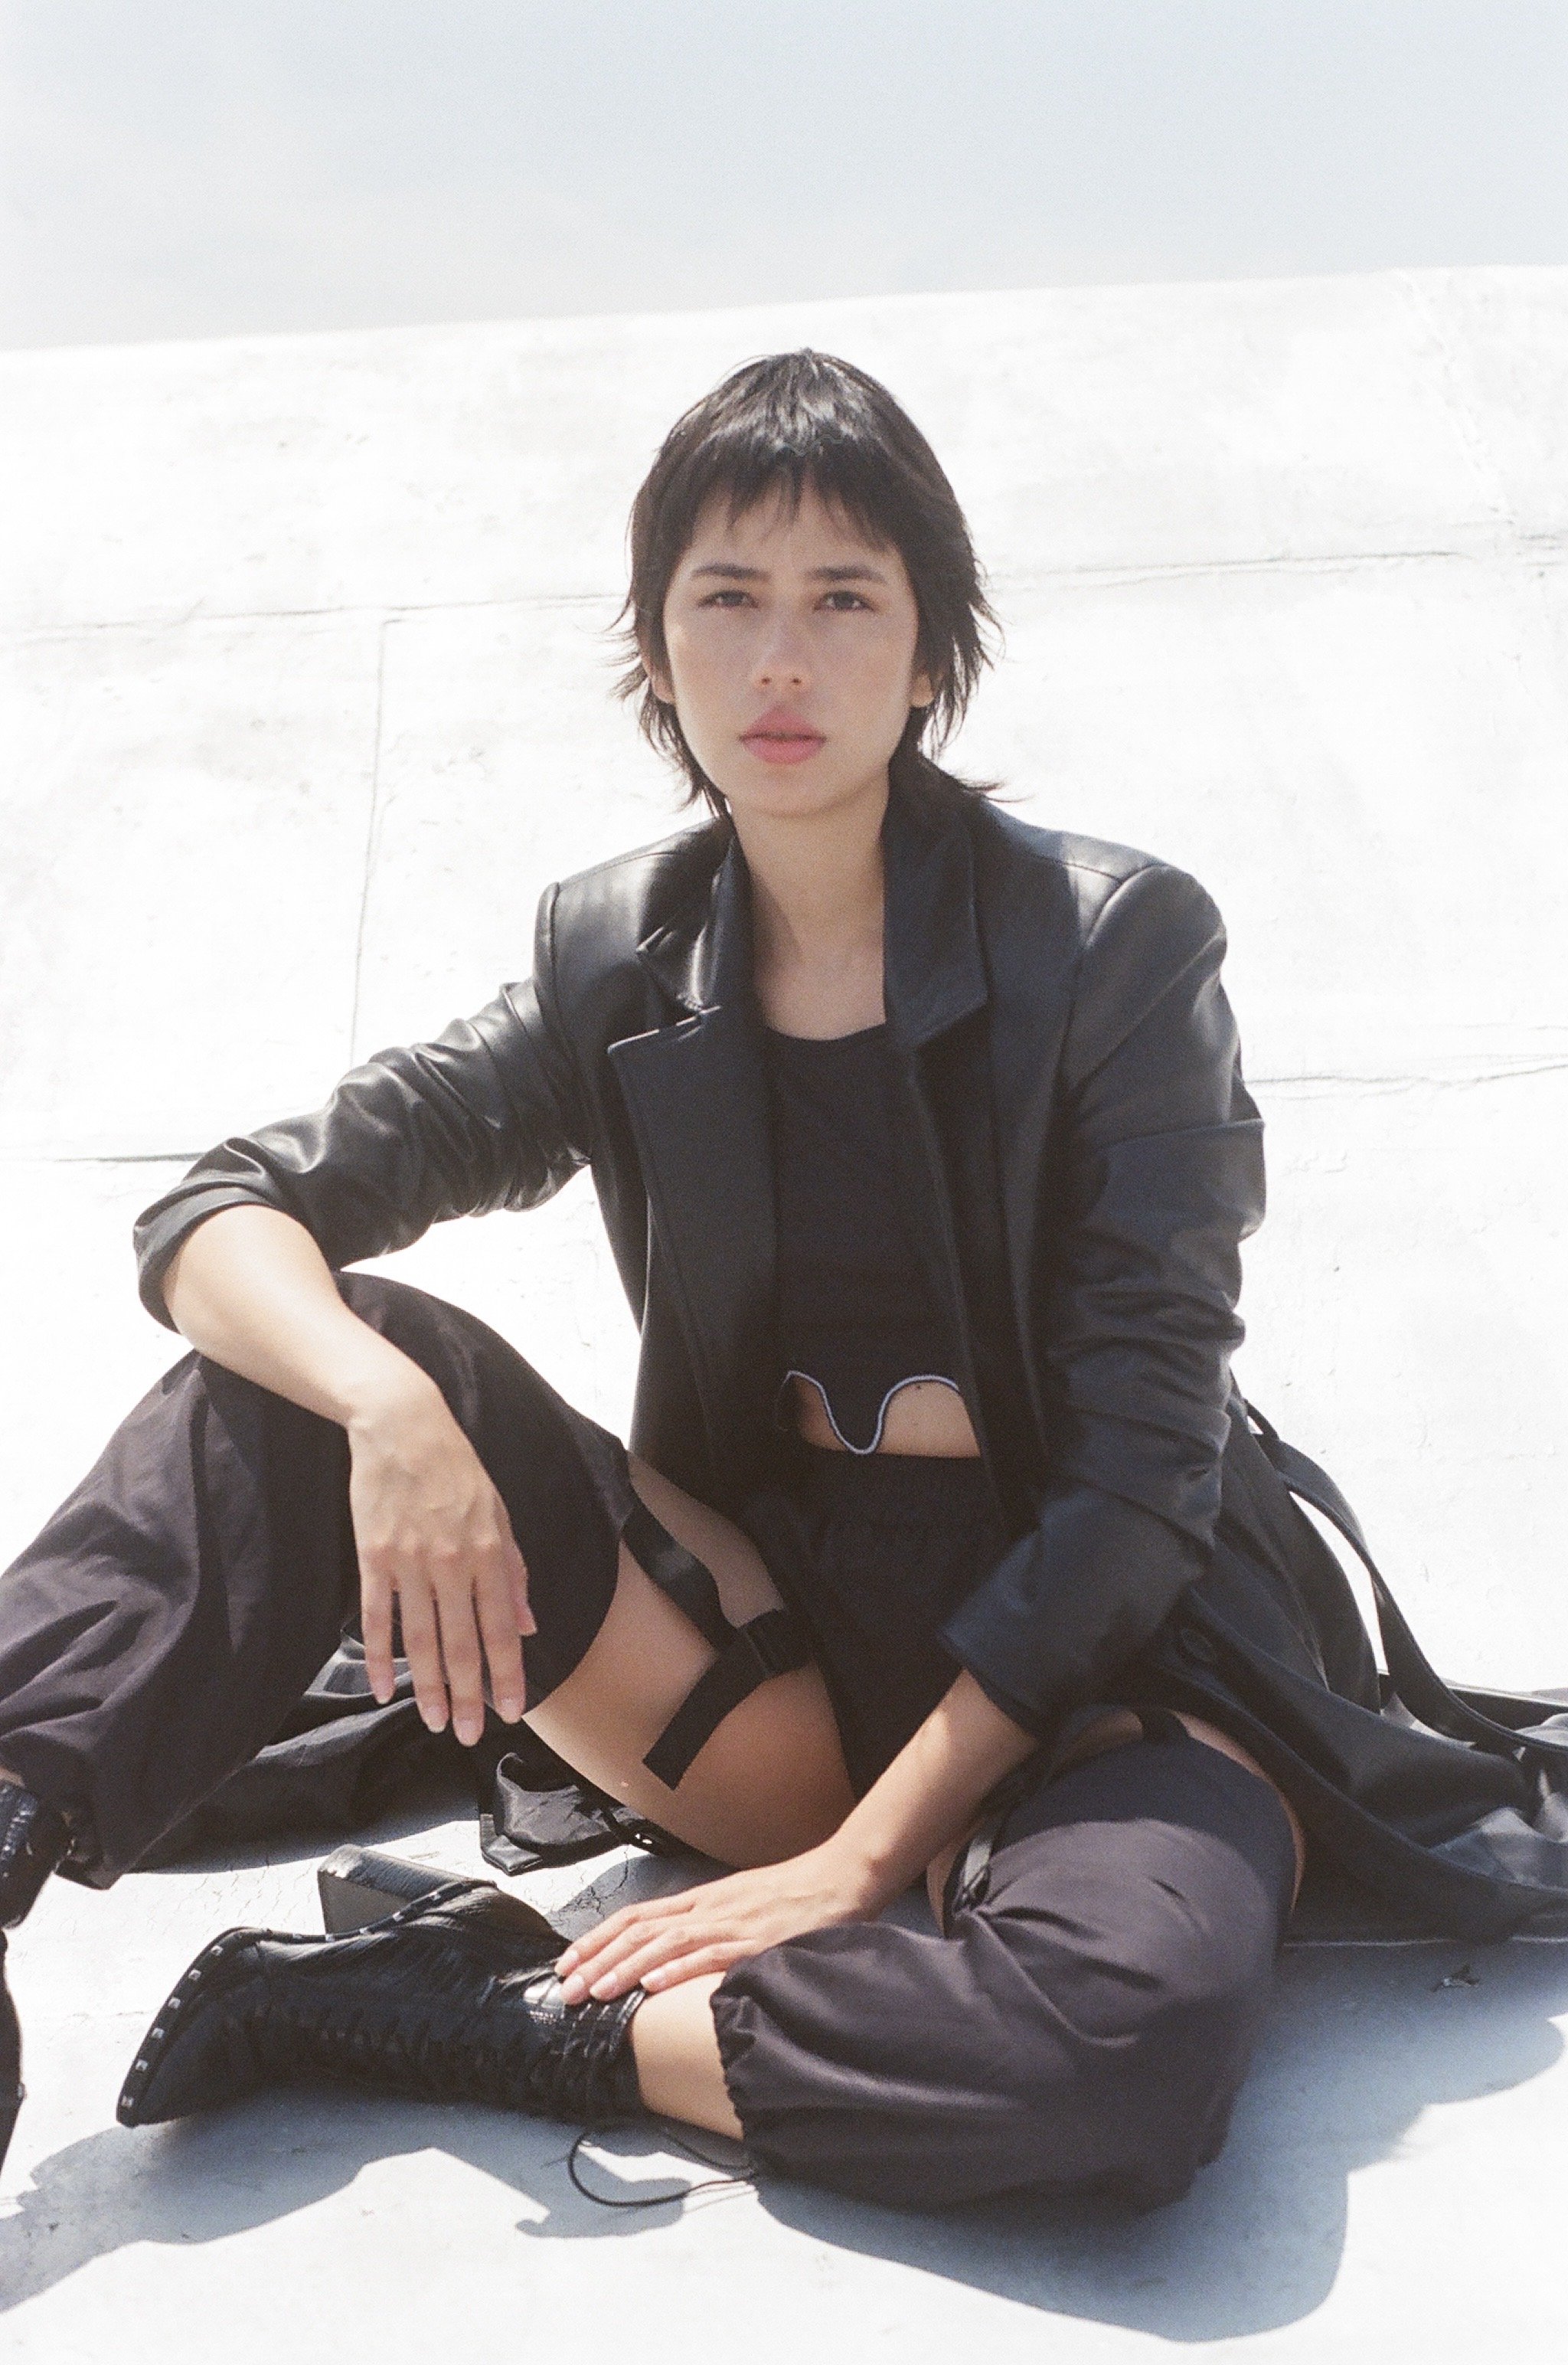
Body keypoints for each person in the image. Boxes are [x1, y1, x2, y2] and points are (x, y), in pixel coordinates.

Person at [2, 352, 1565, 2214]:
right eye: (727, 600)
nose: (781, 662)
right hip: (779, 1659)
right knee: (295, 1371)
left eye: (843, 600)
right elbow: (223, 1209)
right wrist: (387, 1407)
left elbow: (1142, 1485)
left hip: (1110, 1669)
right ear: (654, 651)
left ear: (931, 651)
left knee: (1116, 2051)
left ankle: (468, 2010)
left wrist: (860, 1864)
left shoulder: (1117, 947)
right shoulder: (616, 957)